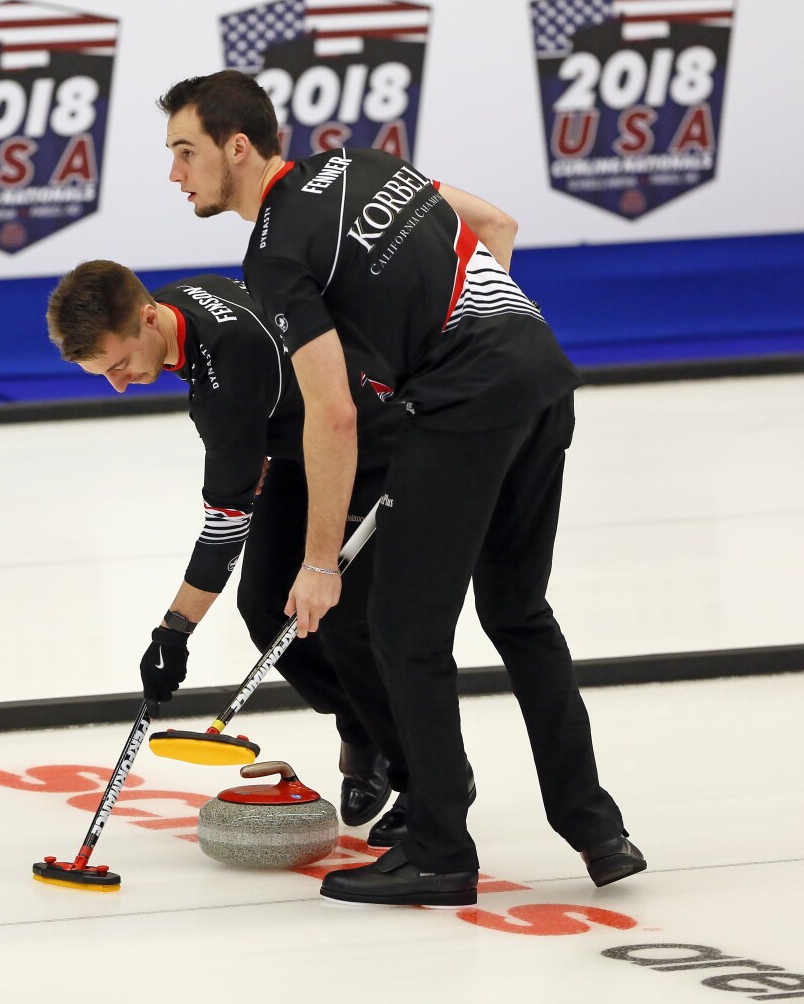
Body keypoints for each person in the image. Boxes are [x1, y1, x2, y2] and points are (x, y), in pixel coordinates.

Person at [155, 70, 646, 907]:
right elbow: (496, 225)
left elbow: (332, 415)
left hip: (465, 402)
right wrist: (472, 328)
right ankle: (596, 827)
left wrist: (318, 564)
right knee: (520, 614)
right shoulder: (366, 162)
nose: (175, 174)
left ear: (237, 148)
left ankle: (439, 850)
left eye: (185, 152)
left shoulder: (274, 253)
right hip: (541, 371)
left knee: (400, 631)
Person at [46, 262, 406, 828]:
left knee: (343, 621)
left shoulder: (228, 382)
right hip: (300, 443)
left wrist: (173, 632)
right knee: (264, 605)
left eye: (119, 365)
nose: (119, 383)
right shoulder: (170, 303)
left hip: (371, 442)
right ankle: (362, 723)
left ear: (147, 319)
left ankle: (425, 777)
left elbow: (223, 532)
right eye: (103, 375)